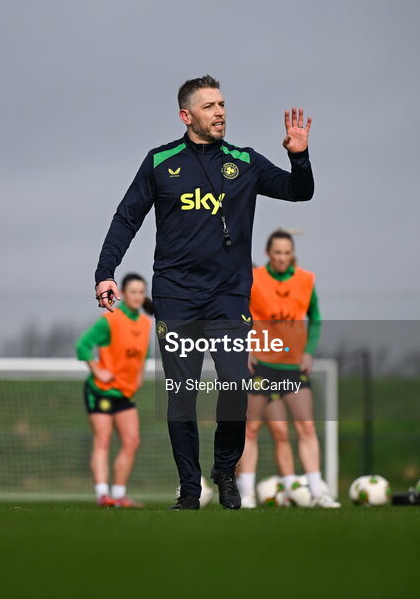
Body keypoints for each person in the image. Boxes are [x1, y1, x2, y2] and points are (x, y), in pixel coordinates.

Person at [93, 75, 314, 510]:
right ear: (186, 115)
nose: (220, 113)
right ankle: (190, 489)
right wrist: (106, 271)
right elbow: (126, 218)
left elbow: (299, 192)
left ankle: (225, 471)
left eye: (223, 104)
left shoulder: (244, 161)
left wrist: (300, 157)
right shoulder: (160, 161)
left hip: (229, 295)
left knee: (235, 381)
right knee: (182, 392)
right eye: (210, 106)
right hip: (176, 296)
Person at [238, 230, 339, 508]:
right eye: (277, 252)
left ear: (292, 253)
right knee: (251, 429)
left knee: (306, 426)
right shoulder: (254, 279)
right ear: (268, 253)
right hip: (261, 365)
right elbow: (239, 314)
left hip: (293, 366)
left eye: (286, 252)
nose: (282, 257)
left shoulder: (306, 280)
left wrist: (308, 351)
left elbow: (315, 318)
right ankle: (245, 492)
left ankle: (318, 492)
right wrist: (245, 348)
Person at [76, 273, 153, 508]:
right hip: (100, 391)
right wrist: (97, 370)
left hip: (124, 393)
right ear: (123, 294)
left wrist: (138, 376)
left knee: (132, 441)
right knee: (104, 439)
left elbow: (143, 354)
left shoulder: (145, 323)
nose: (138, 296)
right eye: (133, 292)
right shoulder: (110, 319)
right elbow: (83, 345)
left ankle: (119, 495)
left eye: (141, 292)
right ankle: (103, 494)